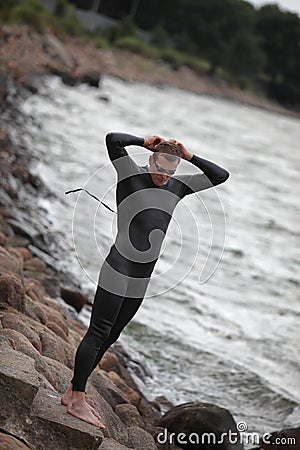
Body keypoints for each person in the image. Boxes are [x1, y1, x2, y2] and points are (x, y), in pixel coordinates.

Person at [61, 132, 230, 427]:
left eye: (170, 170)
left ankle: (73, 390)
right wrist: (143, 141)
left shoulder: (178, 187)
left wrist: (188, 156)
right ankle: (77, 398)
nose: (164, 175)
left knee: (112, 336)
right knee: (99, 331)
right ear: (150, 160)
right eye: (160, 168)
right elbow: (113, 140)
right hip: (118, 266)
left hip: (142, 276)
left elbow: (220, 175)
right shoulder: (130, 175)